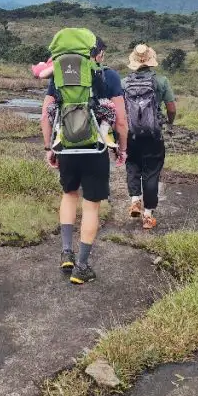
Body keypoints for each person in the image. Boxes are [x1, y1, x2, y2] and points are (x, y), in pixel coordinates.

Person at [41, 36, 127, 285]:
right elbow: (120, 120)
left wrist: (50, 148)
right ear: (97, 54)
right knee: (91, 205)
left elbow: (45, 117)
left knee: (69, 195)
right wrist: (122, 148)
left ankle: (66, 252)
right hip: (96, 149)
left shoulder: (59, 74)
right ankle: (82, 266)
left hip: (67, 147)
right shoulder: (108, 76)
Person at [123, 43, 176, 230]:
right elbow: (171, 107)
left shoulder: (124, 83)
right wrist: (169, 122)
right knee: (152, 172)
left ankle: (135, 200)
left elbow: (121, 111)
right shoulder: (161, 81)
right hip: (154, 134)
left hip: (131, 134)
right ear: (151, 60)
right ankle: (147, 216)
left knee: (132, 165)